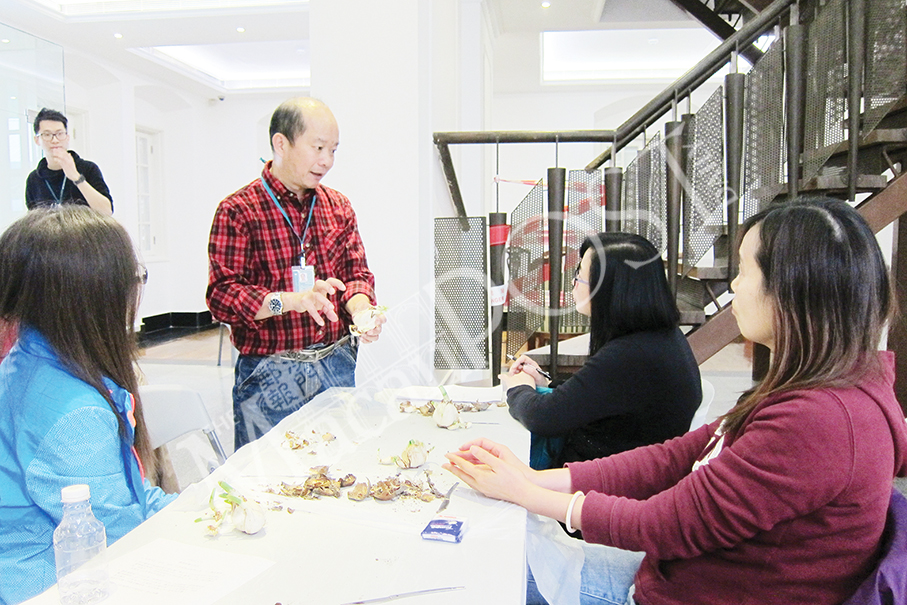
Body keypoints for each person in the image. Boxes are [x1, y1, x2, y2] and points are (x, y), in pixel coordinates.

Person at [445, 198, 907, 605]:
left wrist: (524, 491)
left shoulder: (820, 420)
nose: (733, 286)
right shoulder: (818, 387)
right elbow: (678, 456)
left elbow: (668, 522)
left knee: (483, 571)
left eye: (745, 271)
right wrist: (534, 480)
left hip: (683, 589)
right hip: (675, 572)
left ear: (791, 288)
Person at [0, 207, 174, 605]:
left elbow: (125, 498)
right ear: (93, 296)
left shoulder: (27, 358)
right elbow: (123, 536)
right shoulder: (76, 414)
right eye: (132, 278)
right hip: (45, 587)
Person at [207, 97, 385, 450]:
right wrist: (290, 302)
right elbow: (223, 298)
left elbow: (356, 274)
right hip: (270, 372)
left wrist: (362, 310)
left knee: (337, 469)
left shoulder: (338, 206)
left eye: (333, 150)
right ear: (281, 143)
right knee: (265, 480)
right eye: (318, 147)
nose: (327, 161)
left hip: (335, 363)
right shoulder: (238, 210)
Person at [505, 232, 701, 469]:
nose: (574, 283)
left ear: (610, 289)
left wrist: (518, 389)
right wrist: (546, 382)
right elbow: (600, 392)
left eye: (580, 275)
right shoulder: (661, 337)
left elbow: (543, 418)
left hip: (601, 488)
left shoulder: (630, 355)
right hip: (624, 473)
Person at [24, 108, 113, 215]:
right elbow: (33, 220)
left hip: (86, 232)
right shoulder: (34, 179)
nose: (55, 140)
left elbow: (106, 211)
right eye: (47, 135)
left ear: (67, 137)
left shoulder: (88, 168)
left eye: (60, 134)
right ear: (37, 140)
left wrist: (76, 177)